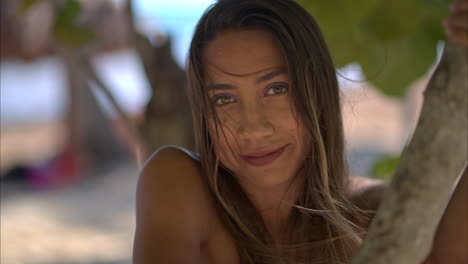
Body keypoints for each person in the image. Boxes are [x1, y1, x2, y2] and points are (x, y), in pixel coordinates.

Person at [133, 0, 468, 263]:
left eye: (276, 89)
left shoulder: (373, 215)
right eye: (224, 98)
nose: (253, 126)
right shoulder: (179, 182)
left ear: (317, 93)